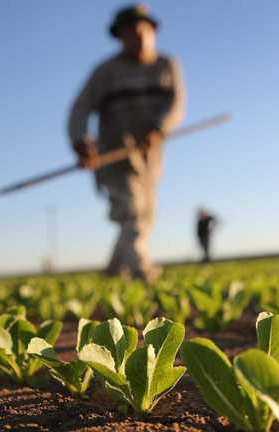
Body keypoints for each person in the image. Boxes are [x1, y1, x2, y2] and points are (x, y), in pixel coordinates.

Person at [67, 5, 185, 282]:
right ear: (120, 37)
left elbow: (176, 103)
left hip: (150, 156)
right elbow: (80, 109)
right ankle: (141, 271)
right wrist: (80, 140)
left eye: (143, 31)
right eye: (130, 33)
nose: (138, 37)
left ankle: (113, 270)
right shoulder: (105, 72)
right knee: (132, 211)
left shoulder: (167, 66)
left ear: (153, 32)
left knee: (144, 213)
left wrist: (159, 128)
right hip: (114, 154)